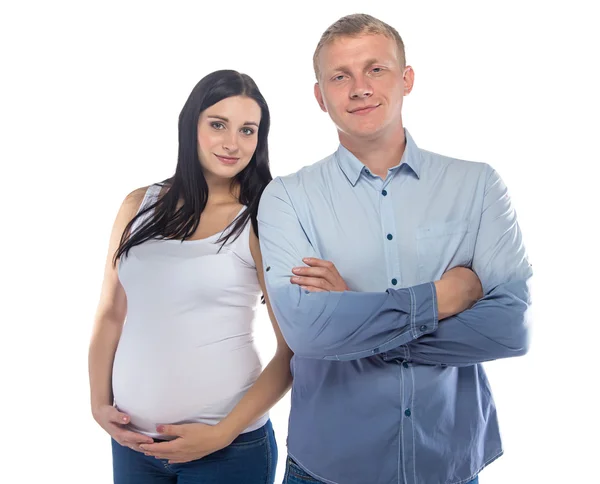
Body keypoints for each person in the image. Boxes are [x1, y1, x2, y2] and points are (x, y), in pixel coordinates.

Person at [258, 14, 532, 484]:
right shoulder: (286, 197)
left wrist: (351, 312)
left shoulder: (477, 185)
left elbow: (510, 329)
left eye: (376, 70)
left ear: (406, 79)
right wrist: (445, 297)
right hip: (327, 469)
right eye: (340, 76)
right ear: (320, 97)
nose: (359, 88)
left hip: (449, 463)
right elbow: (306, 333)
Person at [88, 69, 292, 484]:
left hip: (229, 452)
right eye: (218, 124)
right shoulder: (137, 205)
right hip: (133, 445)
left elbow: (291, 351)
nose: (232, 143)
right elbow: (111, 313)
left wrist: (222, 433)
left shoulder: (261, 218)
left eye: (248, 130)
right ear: (190, 125)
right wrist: (97, 405)